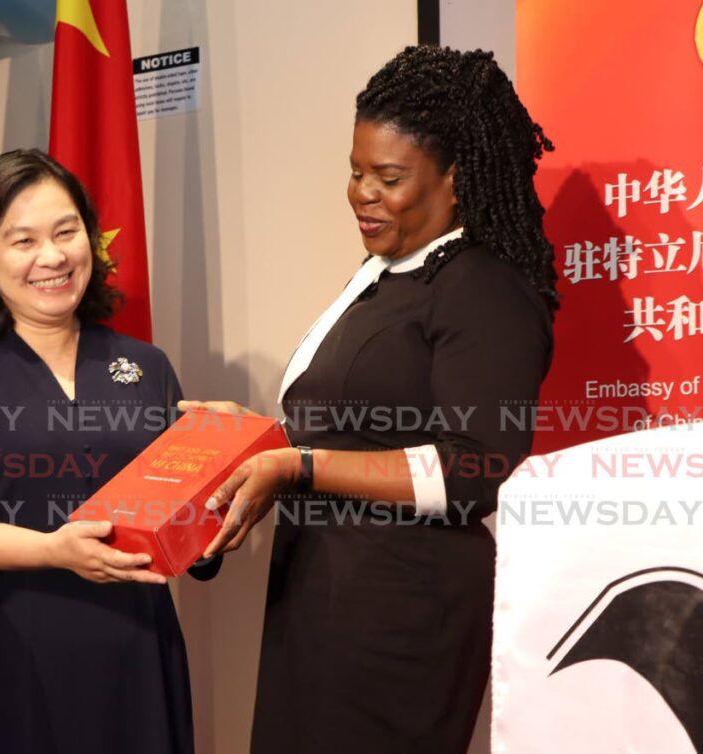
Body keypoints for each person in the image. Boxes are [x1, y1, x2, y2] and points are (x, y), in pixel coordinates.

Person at [181, 46, 557, 753]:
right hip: (323, 593)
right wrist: (261, 439)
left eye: (389, 177)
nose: (361, 194)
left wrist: (299, 466)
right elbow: (356, 435)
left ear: (457, 176)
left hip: (402, 613)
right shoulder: (384, 274)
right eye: (355, 172)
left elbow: (476, 469)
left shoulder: (482, 287)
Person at [0, 148, 217, 754]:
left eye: (66, 232)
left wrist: (228, 474)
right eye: (22, 241)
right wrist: (53, 550)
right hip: (9, 650)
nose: (52, 256)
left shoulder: (145, 365)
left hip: (136, 649)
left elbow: (188, 524)